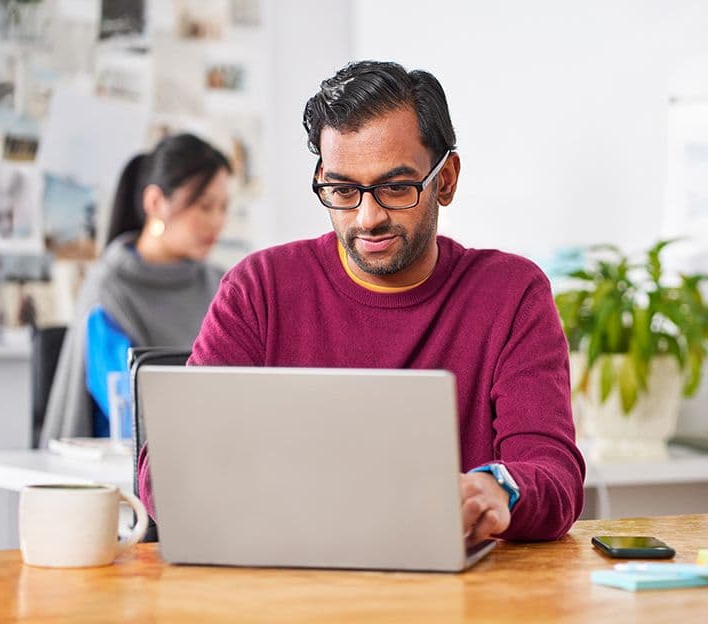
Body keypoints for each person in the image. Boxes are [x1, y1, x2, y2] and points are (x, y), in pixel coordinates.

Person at [138, 61, 585, 543]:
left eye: (395, 188)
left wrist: (497, 490)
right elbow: (165, 471)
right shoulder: (258, 289)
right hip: (287, 573)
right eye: (343, 190)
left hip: (451, 579)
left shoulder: (512, 294)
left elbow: (553, 474)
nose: (368, 218)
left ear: (446, 179)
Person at [40, 133, 231, 445]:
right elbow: (131, 409)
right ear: (155, 202)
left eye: (224, 207)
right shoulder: (109, 291)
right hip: (131, 463)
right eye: (204, 205)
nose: (217, 221)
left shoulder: (222, 284)